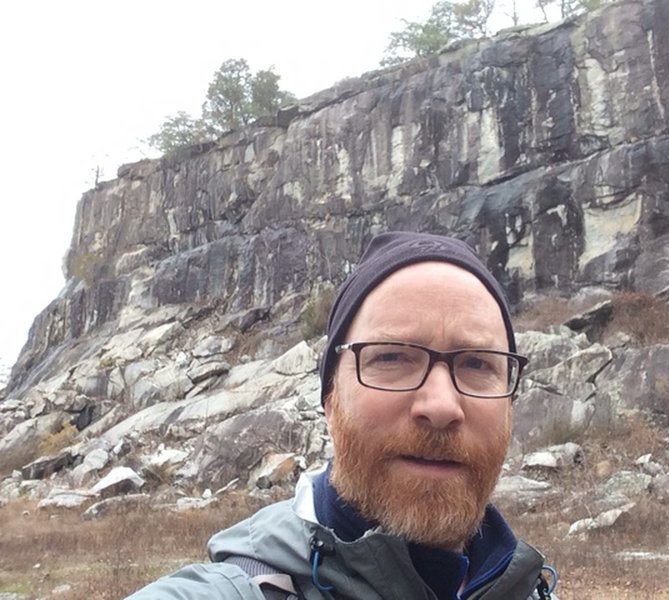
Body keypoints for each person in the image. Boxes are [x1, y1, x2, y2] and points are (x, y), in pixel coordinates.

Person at [126, 231, 556, 600]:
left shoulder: (526, 585)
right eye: (391, 357)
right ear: (330, 397)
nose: (442, 406)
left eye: (478, 364)